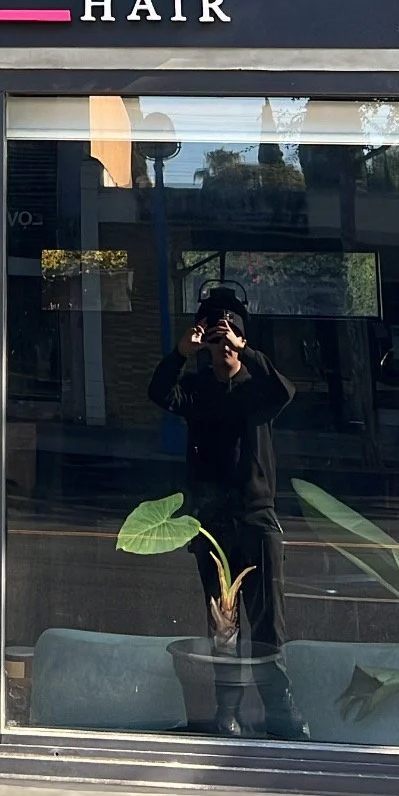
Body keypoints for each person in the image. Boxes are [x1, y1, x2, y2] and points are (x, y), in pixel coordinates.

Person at [148, 283, 308, 739]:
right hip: (213, 522)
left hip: (256, 516)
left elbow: (285, 391)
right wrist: (182, 352)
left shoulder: (257, 389)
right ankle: (227, 711)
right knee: (223, 624)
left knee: (267, 619)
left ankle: (278, 709)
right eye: (216, 340)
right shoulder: (198, 390)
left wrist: (247, 350)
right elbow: (160, 392)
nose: (223, 348)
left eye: (229, 338)